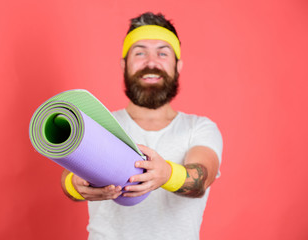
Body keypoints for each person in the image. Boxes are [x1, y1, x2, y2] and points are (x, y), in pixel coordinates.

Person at [61, 12, 223, 240]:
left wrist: (165, 174)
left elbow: (202, 180)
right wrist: (74, 185)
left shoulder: (199, 128)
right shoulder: (99, 125)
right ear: (123, 64)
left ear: (178, 66)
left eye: (163, 53)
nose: (151, 62)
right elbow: (68, 178)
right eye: (140, 52)